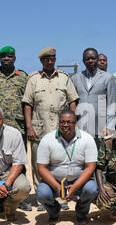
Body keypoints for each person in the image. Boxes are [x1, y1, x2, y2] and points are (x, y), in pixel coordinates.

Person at [22, 47, 79, 204]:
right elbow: (28, 104)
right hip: (39, 128)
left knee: (60, 163)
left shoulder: (64, 78)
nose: (49, 62)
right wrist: (29, 127)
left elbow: (73, 101)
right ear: (41, 61)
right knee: (38, 163)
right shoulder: (33, 79)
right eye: (46, 59)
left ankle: (61, 196)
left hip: (61, 130)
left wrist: (71, 122)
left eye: (52, 59)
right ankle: (41, 199)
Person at [0, 46, 32, 212]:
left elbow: (28, 102)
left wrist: (29, 125)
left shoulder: (23, 77)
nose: (6, 59)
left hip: (18, 127)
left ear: (15, 58)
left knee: (19, 163)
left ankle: (19, 198)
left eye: (9, 56)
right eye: (3, 56)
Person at [36, 109, 98, 224]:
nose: (65, 125)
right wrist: (57, 187)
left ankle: (81, 212)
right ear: (58, 123)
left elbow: (90, 167)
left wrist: (75, 186)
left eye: (69, 122)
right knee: (42, 193)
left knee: (91, 189)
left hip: (79, 181)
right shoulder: (47, 139)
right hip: (55, 181)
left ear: (75, 123)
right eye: (62, 122)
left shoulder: (87, 139)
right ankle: (54, 210)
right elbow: (41, 168)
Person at [72, 48, 116, 147]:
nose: (91, 61)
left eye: (93, 58)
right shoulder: (75, 78)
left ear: (97, 59)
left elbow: (111, 104)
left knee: (99, 161)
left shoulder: (108, 78)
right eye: (88, 59)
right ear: (83, 61)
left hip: (100, 129)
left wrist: (109, 127)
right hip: (80, 128)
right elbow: (72, 103)